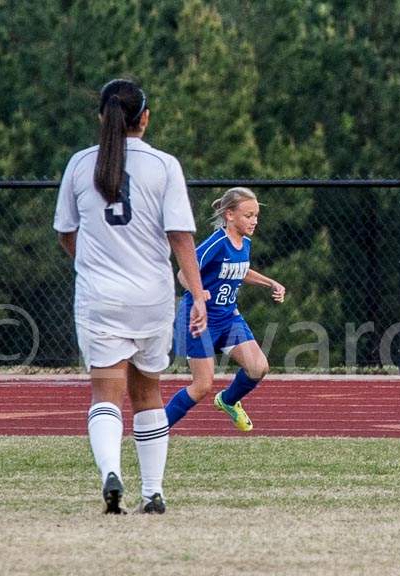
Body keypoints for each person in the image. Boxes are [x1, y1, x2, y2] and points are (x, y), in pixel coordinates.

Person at [54, 78, 207, 514]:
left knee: (106, 394)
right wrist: (197, 295)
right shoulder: (163, 165)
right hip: (152, 296)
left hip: (100, 296)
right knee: (149, 395)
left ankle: (109, 473)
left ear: (102, 116)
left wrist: (92, 264)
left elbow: (66, 233)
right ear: (145, 117)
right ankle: (153, 493)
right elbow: (180, 237)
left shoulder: (81, 164)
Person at [164, 187, 285, 432]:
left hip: (229, 318)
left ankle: (228, 401)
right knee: (201, 386)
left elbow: (240, 269)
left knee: (258, 367)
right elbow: (183, 272)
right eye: (248, 215)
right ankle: (155, 430)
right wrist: (198, 293)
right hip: (201, 319)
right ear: (229, 215)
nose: (254, 221)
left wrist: (270, 282)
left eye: (256, 215)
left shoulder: (245, 243)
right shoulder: (217, 243)